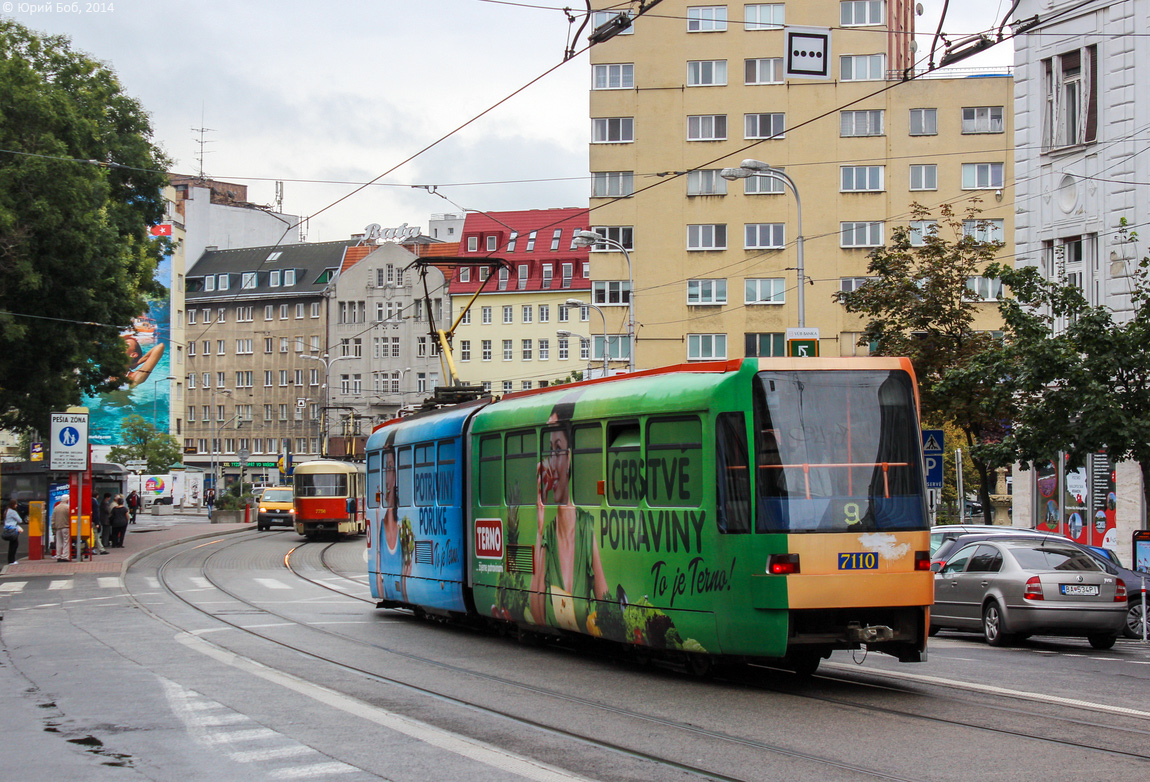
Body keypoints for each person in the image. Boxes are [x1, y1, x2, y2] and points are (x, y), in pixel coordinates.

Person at [530, 401, 608, 632]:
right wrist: (540, 529)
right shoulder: (548, 535)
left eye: (558, 449)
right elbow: (537, 614)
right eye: (549, 451)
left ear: (571, 457)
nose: (552, 463)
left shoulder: (586, 528)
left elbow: (606, 606)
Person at [3, 499, 22, 565]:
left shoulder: (6, 510)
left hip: (7, 529)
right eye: (16, 504)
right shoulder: (13, 512)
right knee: (14, 545)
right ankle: (12, 560)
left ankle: (10, 560)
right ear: (13, 505)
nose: (16, 505)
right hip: (13, 529)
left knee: (12, 545)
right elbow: (19, 520)